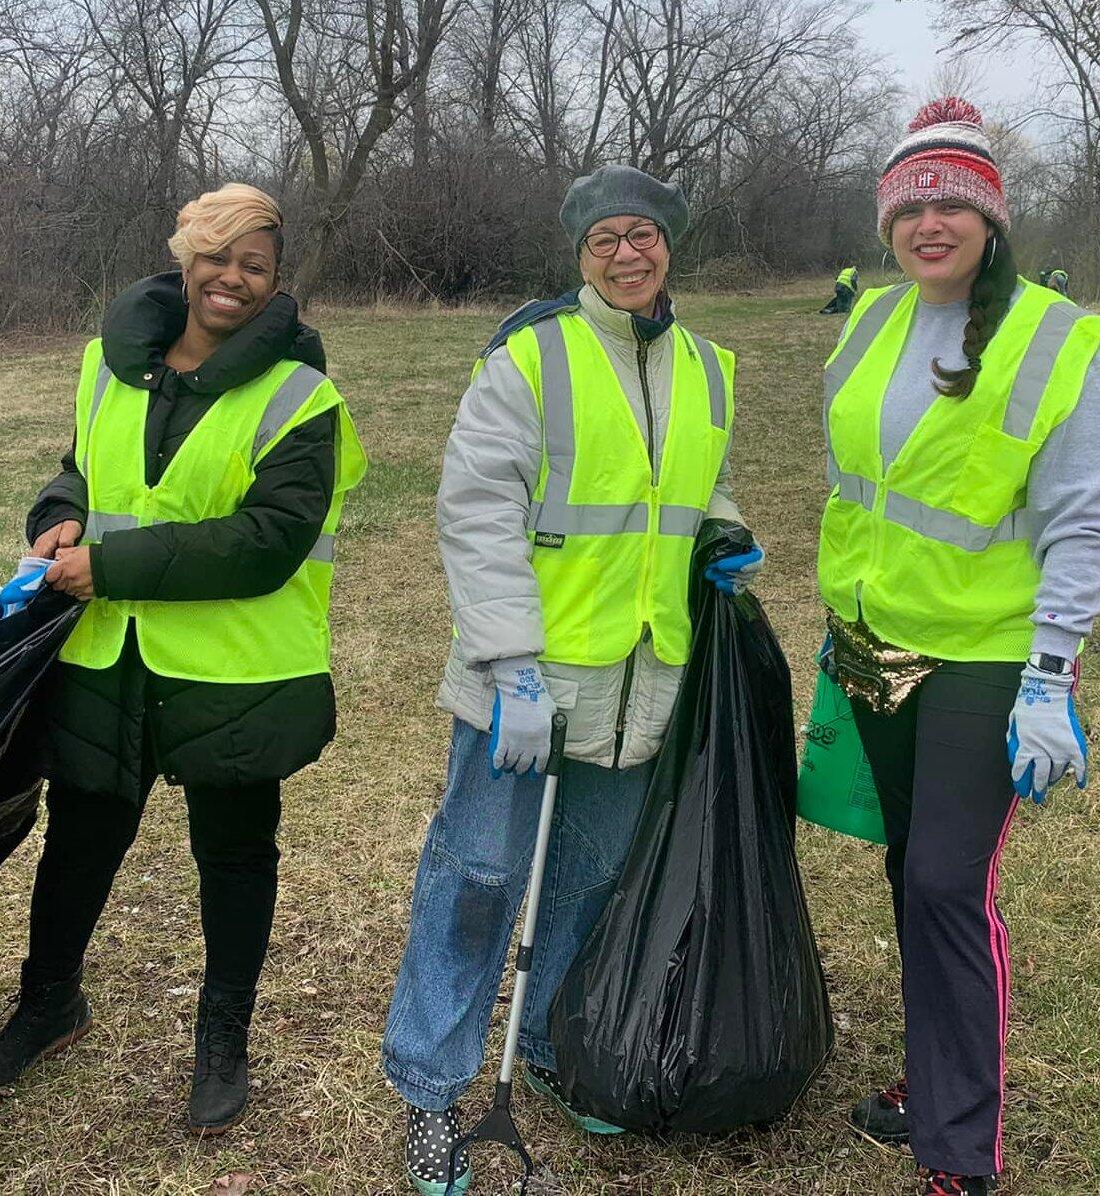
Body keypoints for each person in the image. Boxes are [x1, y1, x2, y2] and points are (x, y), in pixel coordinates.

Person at [0, 183, 367, 1134]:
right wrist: (58, 515)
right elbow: (83, 470)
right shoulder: (108, 362)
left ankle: (223, 1040)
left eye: (254, 264)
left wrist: (112, 565)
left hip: (236, 668)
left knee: (233, 854)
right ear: (184, 259)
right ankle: (49, 1001)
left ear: (274, 280)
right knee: (81, 838)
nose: (233, 278)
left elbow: (270, 537)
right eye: (216, 256)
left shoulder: (303, 394)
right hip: (107, 656)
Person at [381, 164, 762, 1195]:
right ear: (579, 252)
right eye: (605, 240)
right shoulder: (528, 357)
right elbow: (475, 510)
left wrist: (722, 529)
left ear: (669, 245)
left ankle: (548, 1044)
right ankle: (430, 1084)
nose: (626, 253)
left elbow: (690, 479)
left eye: (642, 235)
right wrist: (508, 661)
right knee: (477, 879)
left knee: (589, 882)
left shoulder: (711, 365)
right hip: (528, 681)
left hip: (643, 680)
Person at [819, 98, 1100, 1195]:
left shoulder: (1057, 339)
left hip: (990, 655)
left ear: (992, 216)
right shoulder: (869, 320)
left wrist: (1049, 674)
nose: (931, 220)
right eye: (912, 203)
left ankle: (959, 1146)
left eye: (955, 199)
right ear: (887, 224)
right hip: (873, 639)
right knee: (909, 866)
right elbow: (860, 482)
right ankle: (930, 1065)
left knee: (951, 881)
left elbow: (1083, 519)